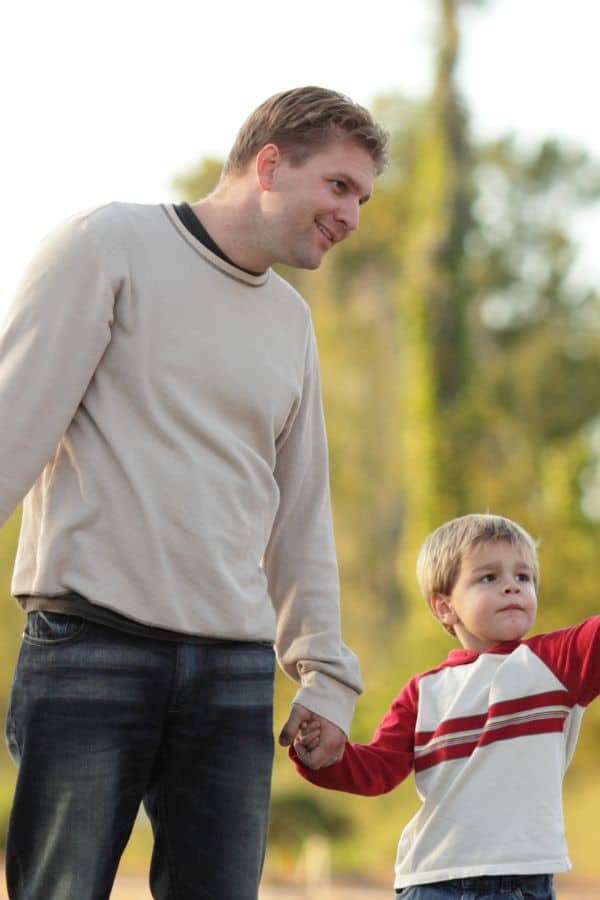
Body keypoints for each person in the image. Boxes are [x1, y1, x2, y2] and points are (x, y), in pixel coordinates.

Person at [0, 86, 389, 900]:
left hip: (232, 674)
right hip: (91, 648)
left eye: (363, 197)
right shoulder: (106, 246)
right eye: (340, 186)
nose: (353, 215)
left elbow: (300, 513)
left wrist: (325, 674)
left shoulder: (290, 322)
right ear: (271, 164)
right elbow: (11, 431)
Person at [291, 513, 600, 900]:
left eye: (524, 577)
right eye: (489, 577)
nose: (512, 587)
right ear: (444, 607)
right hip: (431, 880)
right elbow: (379, 770)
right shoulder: (424, 690)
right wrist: (326, 757)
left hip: (519, 882)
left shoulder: (557, 664)